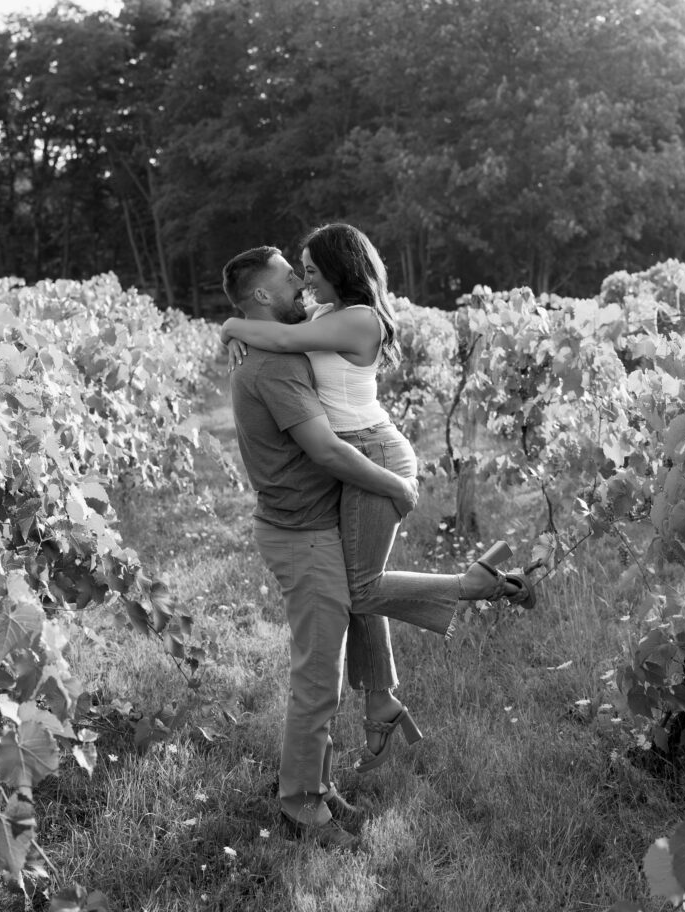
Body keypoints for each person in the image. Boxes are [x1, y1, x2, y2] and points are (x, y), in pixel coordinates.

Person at [221, 242, 533, 850]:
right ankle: (301, 807)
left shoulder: (284, 345)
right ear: (261, 295)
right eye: (290, 279)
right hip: (302, 532)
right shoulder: (275, 367)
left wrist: (232, 327)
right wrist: (395, 485)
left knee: (332, 656)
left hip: (308, 520)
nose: (301, 287)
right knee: (319, 677)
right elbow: (327, 451)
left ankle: (324, 779)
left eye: (307, 273)